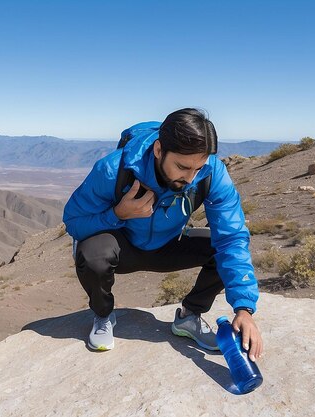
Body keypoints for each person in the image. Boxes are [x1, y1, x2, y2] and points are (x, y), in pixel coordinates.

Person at [62, 108, 263, 361]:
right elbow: (73, 221)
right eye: (182, 167)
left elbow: (232, 237)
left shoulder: (211, 173)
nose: (190, 178)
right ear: (158, 150)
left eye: (197, 168)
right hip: (123, 246)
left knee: (220, 248)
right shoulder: (114, 170)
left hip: (169, 245)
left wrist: (244, 308)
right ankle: (103, 316)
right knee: (92, 254)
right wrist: (118, 214)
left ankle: (189, 317)